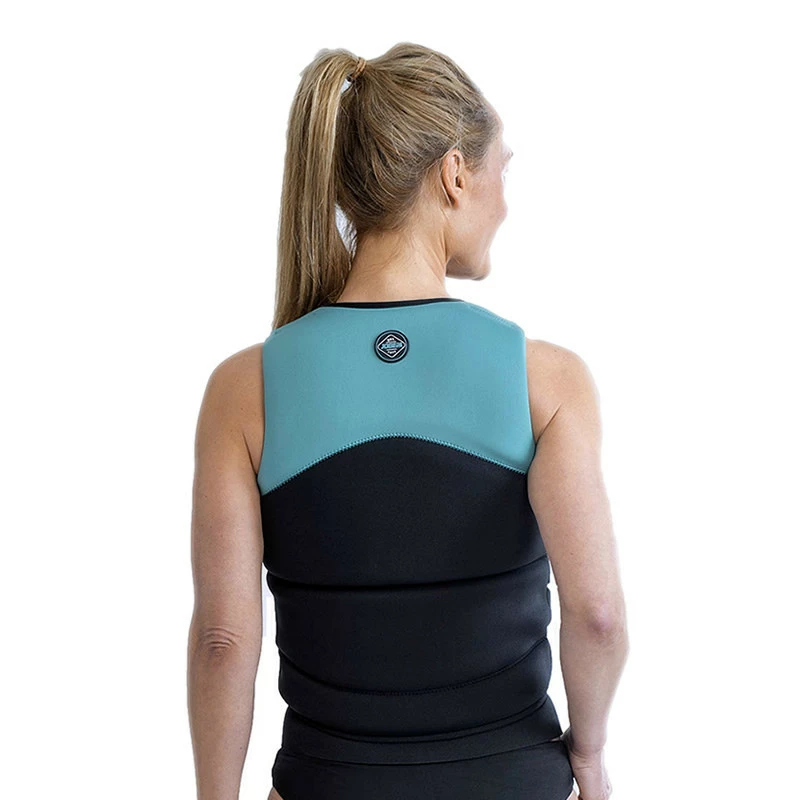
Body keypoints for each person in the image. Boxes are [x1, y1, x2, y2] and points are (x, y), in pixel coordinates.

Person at [187, 42, 629, 800]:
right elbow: (597, 616)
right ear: (455, 173)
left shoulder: (244, 388)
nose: (505, 201)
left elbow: (223, 642)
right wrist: (586, 755)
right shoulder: (546, 380)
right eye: (503, 170)